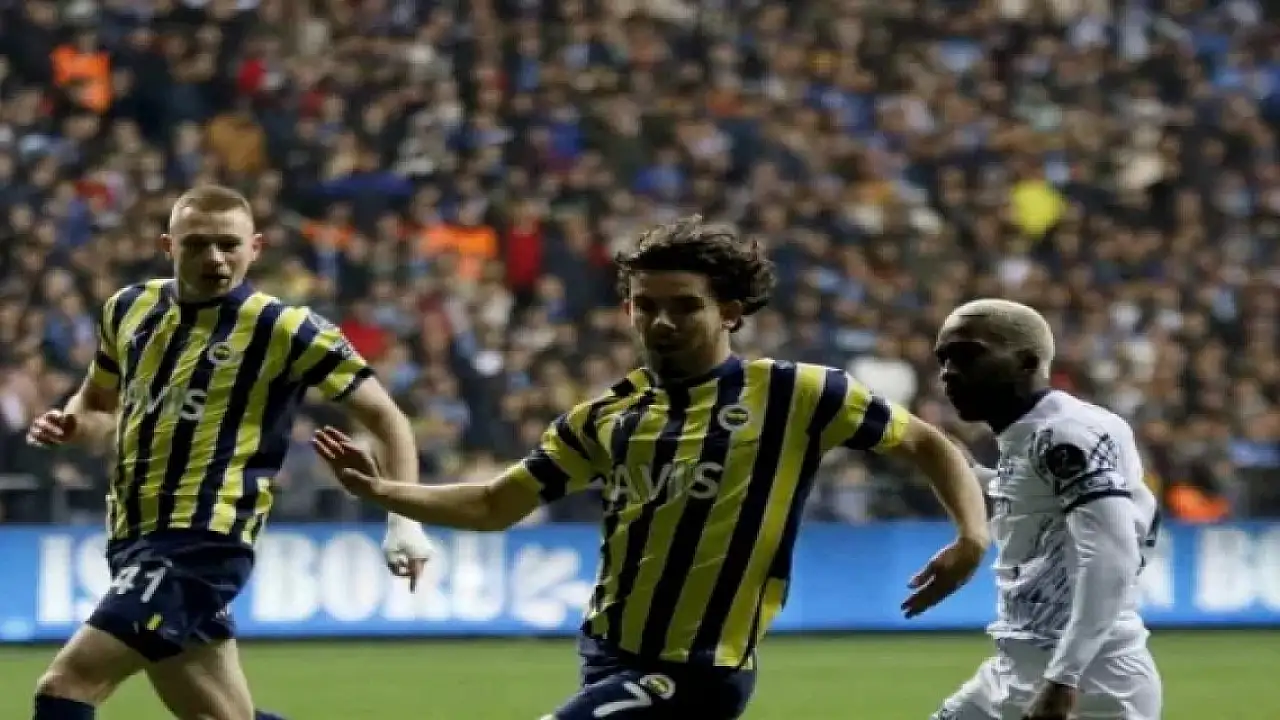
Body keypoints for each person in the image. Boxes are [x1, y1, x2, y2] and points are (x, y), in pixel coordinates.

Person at [310, 215, 991, 719]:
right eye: (648, 306)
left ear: (730, 312)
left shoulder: (795, 394)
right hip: (605, 653)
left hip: (699, 670)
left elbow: (928, 444)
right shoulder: (604, 418)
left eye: (685, 306)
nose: (662, 322)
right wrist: (383, 491)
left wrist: (971, 535)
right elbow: (495, 505)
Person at [24, 185, 436, 720]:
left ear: (255, 247)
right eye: (197, 244)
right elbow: (98, 405)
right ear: (168, 246)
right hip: (131, 537)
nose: (215, 258)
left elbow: (388, 419)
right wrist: (69, 424)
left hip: (202, 540)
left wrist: (404, 521)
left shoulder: (285, 329)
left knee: (67, 685)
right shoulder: (128, 308)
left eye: (229, 244)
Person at [929, 298, 1163, 720]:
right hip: (1015, 669)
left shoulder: (1067, 435)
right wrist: (962, 470)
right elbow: (1029, 505)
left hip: (1092, 683)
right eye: (943, 358)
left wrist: (1063, 679)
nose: (948, 372)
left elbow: (1112, 557)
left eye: (967, 355)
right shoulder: (1031, 436)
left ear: (1027, 363)